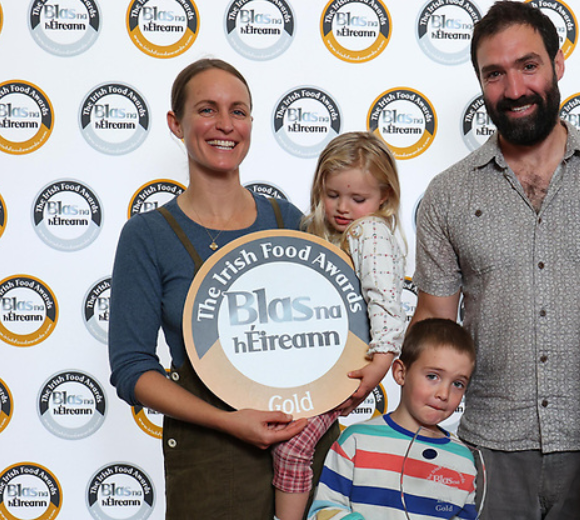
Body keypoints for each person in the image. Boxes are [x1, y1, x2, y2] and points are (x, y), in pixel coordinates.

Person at [410, 2, 580, 518]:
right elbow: (433, 322)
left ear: (558, 65)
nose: (514, 89)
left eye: (528, 66)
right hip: (488, 449)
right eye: (494, 74)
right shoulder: (447, 195)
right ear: (479, 81)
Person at [108, 58, 337, 519]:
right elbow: (132, 369)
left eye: (238, 111)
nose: (225, 125)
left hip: (307, 447)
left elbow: (342, 323)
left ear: (252, 122)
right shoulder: (147, 235)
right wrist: (226, 421)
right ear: (176, 123)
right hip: (210, 456)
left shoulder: (289, 221)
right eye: (207, 109)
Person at [274, 132, 406, 520]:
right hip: (316, 364)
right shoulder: (324, 233)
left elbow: (385, 306)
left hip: (344, 369)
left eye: (358, 199)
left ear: (384, 196)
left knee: (293, 446)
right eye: (333, 195)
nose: (343, 207)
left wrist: (376, 368)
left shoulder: (370, 233)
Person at [308, 318, 478, 520]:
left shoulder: (462, 458)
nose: (444, 393)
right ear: (400, 373)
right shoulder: (356, 441)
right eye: (433, 376)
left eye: (458, 383)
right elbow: (323, 511)